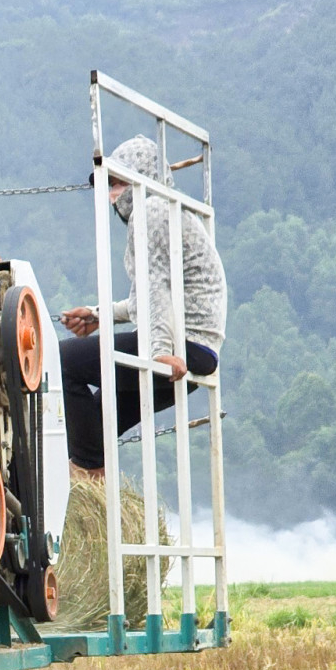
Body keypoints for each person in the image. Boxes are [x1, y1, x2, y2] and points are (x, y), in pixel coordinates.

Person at [56, 135, 227, 476]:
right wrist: (99, 316)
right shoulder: (171, 210)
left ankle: (90, 472)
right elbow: (149, 295)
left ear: (139, 179)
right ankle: (88, 471)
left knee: (63, 361)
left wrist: (161, 351)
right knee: (95, 417)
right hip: (198, 348)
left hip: (179, 343)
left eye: (116, 184)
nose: (111, 197)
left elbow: (155, 288)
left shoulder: (150, 211)